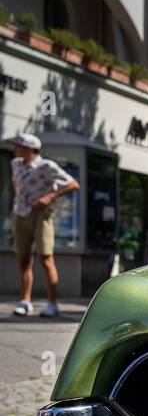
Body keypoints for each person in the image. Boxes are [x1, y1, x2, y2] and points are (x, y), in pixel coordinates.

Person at [8, 132, 78, 317]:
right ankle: (25, 301)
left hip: (42, 216)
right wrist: (18, 202)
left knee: (46, 259)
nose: (14, 149)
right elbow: (16, 184)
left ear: (30, 149)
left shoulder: (47, 166)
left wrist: (50, 196)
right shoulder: (15, 164)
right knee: (24, 260)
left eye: (18, 146)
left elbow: (73, 184)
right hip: (20, 215)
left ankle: (52, 303)